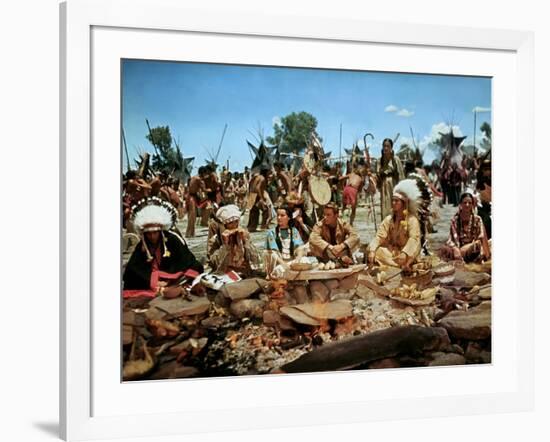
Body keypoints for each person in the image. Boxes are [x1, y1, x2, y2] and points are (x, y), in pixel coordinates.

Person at [123, 197, 204, 299]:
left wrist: (169, 280)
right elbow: (133, 269)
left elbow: (188, 261)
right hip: (154, 281)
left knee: (191, 273)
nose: (152, 236)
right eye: (148, 234)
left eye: (155, 232)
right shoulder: (142, 245)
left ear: (161, 231)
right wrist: (154, 281)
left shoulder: (172, 239)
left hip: (173, 278)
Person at [367, 179, 422, 269]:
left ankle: (404, 265)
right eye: (393, 200)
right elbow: (379, 237)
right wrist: (372, 250)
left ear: (404, 204)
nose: (393, 203)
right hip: (393, 254)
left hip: (407, 254)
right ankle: (399, 266)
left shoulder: (412, 220)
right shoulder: (389, 219)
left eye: (397, 201)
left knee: (409, 256)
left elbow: (414, 239)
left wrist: (405, 253)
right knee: (375, 251)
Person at [209, 204, 261, 276]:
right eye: (230, 223)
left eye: (236, 222)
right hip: (225, 274)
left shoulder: (244, 235)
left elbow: (255, 259)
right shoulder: (215, 240)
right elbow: (214, 263)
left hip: (244, 273)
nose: (234, 225)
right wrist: (225, 245)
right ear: (224, 225)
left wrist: (245, 241)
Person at [440, 190, 490, 263]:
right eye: (465, 202)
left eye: (469, 203)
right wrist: (455, 248)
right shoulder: (455, 220)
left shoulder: (477, 219)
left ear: (472, 205)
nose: (467, 205)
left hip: (474, 247)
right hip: (458, 247)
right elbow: (452, 238)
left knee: (477, 246)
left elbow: (481, 235)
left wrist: (472, 245)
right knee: (444, 250)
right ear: (460, 204)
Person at [264, 205, 307, 276]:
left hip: (292, 262)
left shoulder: (294, 231)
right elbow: (273, 253)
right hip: (280, 264)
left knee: (305, 260)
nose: (279, 218)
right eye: (278, 215)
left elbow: (299, 247)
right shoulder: (272, 233)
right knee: (279, 270)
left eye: (282, 215)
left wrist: (297, 260)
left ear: (289, 217)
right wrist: (284, 264)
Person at [376, 138, 405, 220]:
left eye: (388, 146)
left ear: (391, 147)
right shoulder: (379, 161)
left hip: (394, 186)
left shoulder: (396, 160)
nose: (385, 148)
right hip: (384, 188)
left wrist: (402, 190)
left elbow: (401, 175)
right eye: (384, 146)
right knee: (385, 208)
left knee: (395, 206)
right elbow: (378, 176)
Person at [185, 167, 209, 238]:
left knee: (191, 217)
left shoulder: (193, 177)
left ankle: (190, 233)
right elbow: (204, 189)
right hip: (192, 198)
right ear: (203, 173)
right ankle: (190, 234)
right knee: (192, 217)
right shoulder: (198, 179)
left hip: (190, 197)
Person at [246, 168, 272, 232]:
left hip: (252, 194)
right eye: (269, 172)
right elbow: (258, 188)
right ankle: (263, 226)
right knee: (266, 210)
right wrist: (262, 198)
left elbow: (250, 184)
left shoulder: (255, 177)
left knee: (253, 212)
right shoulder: (262, 178)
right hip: (257, 196)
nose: (270, 174)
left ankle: (251, 227)